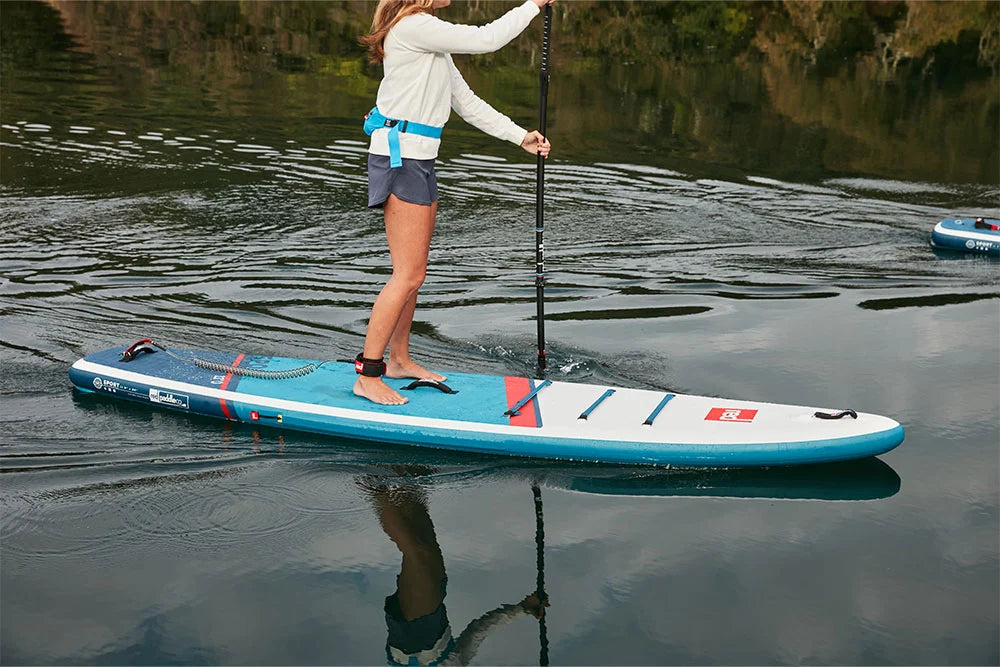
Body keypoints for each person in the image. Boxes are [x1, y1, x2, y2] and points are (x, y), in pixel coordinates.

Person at [355, 0, 554, 406]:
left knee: (414, 274)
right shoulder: (414, 26)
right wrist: (532, 6)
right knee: (407, 275)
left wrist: (520, 136)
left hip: (420, 158)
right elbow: (487, 39)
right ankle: (368, 373)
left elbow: (465, 102)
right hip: (401, 158)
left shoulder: (427, 36)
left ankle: (399, 360)